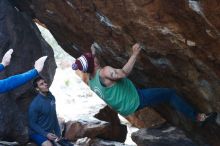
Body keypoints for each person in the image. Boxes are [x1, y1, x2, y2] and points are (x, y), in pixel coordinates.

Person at [72, 43, 217, 124]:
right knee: (170, 94)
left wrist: (92, 52)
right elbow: (123, 73)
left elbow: (90, 63)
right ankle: (197, 117)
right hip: (134, 99)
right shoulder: (104, 71)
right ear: (93, 63)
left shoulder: (91, 80)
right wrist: (134, 54)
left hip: (124, 106)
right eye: (92, 57)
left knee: (156, 94)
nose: (94, 57)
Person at [29, 76, 73, 146]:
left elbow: (53, 115)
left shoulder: (51, 97)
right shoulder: (35, 104)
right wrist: (46, 134)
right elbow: (32, 123)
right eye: (41, 84)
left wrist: (58, 134)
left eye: (45, 82)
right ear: (37, 89)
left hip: (49, 132)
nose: (45, 84)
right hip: (36, 133)